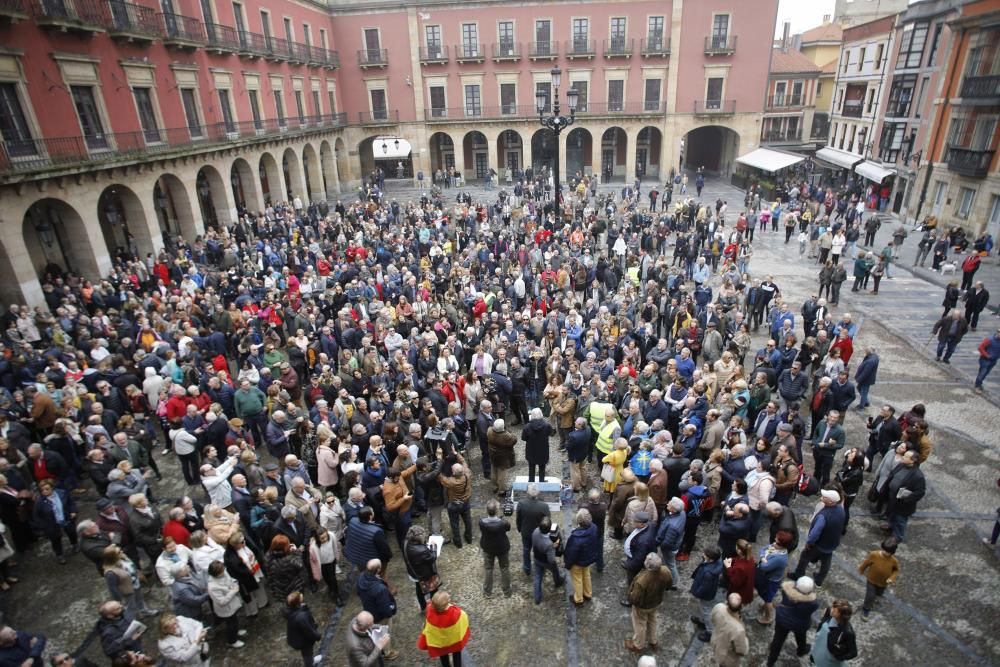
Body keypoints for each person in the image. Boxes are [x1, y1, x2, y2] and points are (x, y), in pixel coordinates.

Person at [791, 489, 845, 587]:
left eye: (825, 497)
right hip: (831, 544)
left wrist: (809, 543)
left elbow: (815, 533)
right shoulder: (841, 510)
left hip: (819, 544)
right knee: (826, 563)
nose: (822, 497)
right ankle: (819, 580)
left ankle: (798, 574)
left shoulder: (823, 516)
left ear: (830, 502)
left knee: (804, 558)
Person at [624, 552, 672, 654]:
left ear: (648, 565)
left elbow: (635, 598)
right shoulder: (666, 571)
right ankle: (653, 641)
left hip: (643, 606)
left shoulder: (642, 580)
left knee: (640, 624)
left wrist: (630, 597)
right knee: (652, 620)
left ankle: (638, 645)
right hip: (656, 602)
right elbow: (669, 585)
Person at [765, 576, 819, 666]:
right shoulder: (812, 603)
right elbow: (814, 607)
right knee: (801, 637)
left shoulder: (786, 592)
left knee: (778, 640)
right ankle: (802, 650)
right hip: (800, 623)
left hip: (783, 619)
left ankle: (771, 661)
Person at [416, 591, 470, 667]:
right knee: (457, 654)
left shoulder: (430, 612)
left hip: (440, 643)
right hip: (454, 640)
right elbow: (463, 617)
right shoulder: (454, 613)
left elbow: (428, 627)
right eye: (448, 600)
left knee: (443, 655)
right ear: (445, 606)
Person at [881, 449, 926, 542]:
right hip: (893, 498)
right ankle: (891, 526)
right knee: (892, 514)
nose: (903, 457)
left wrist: (906, 499)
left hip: (903, 504)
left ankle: (897, 536)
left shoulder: (918, 476)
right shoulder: (901, 465)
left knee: (900, 520)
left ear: (912, 460)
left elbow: (920, 492)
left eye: (906, 457)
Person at [31, 479, 77, 564]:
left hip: (66, 519)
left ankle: (74, 544)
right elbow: (36, 516)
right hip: (52, 524)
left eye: (47, 489)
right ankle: (59, 555)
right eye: (42, 490)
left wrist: (73, 511)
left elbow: (71, 502)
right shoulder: (39, 502)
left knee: (71, 532)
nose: (44, 491)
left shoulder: (62, 493)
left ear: (52, 488)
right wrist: (44, 526)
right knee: (56, 540)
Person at [563, 508, 599, 606]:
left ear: (579, 522)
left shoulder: (575, 538)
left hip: (577, 563)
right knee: (586, 575)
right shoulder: (594, 527)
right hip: (588, 559)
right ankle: (588, 594)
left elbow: (571, 554)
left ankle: (578, 599)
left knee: (577, 580)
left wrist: (567, 564)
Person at [206, 560, 247, 648]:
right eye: (221, 571)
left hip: (232, 604)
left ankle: (236, 631)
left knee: (235, 620)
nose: (224, 571)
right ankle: (232, 641)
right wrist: (233, 591)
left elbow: (230, 579)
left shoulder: (223, 572)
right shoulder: (212, 587)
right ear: (216, 573)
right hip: (226, 609)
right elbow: (221, 601)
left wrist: (235, 583)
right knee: (231, 624)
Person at [858, 537, 899, 619]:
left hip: (883, 583)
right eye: (884, 550)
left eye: (888, 552)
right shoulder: (874, 555)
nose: (885, 553)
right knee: (870, 596)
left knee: (879, 594)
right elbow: (866, 562)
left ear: (892, 552)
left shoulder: (894, 561)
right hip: (871, 580)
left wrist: (892, 578)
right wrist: (861, 569)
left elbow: (896, 570)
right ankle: (866, 609)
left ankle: (874, 600)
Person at [689, 545, 724, 642]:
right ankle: (701, 620)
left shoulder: (708, 573)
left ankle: (710, 631)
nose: (703, 554)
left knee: (706, 611)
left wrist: (696, 593)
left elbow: (704, 588)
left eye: (705, 554)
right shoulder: (717, 562)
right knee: (703, 608)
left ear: (711, 558)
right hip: (710, 592)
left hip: (706, 595)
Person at [478, 498, 512, 597]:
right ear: (497, 511)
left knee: (489, 569)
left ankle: (487, 592)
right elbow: (508, 528)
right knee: (504, 568)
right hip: (502, 547)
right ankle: (507, 591)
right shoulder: (503, 523)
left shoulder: (482, 522)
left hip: (488, 547)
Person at [403, 525, 439, 611]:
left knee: (418, 589)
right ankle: (435, 606)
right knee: (433, 589)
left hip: (413, 572)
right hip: (424, 575)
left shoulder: (406, 542)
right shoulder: (422, 551)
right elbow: (432, 557)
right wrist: (434, 547)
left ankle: (423, 606)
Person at [811, 599, 858, 666]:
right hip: (819, 646)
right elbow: (823, 621)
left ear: (840, 615)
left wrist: (839, 658)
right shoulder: (830, 612)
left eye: (835, 610)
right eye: (833, 607)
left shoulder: (848, 632)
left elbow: (853, 652)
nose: (831, 609)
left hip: (829, 659)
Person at [516, 483, 550, 575]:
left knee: (526, 550)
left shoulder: (521, 504)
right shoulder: (544, 506)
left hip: (526, 532)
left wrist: (520, 529)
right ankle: (540, 568)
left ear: (527, 492)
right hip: (539, 534)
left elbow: (518, 519)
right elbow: (548, 522)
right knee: (539, 551)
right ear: (538, 492)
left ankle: (527, 568)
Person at [710, 593, 750, 667]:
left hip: (716, 644)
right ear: (741, 606)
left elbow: (712, 620)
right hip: (727, 657)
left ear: (727, 602)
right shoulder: (738, 629)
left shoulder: (718, 607)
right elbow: (742, 650)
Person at [284, 591, 323, 667]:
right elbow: (308, 630)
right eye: (299, 596)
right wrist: (317, 636)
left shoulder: (293, 611)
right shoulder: (301, 617)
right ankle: (310, 663)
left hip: (297, 637)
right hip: (303, 641)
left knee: (306, 653)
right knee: (307, 652)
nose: (301, 594)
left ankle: (310, 661)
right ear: (298, 603)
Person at [531, 516, 564, 604]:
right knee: (555, 570)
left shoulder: (535, 531)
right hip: (545, 561)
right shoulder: (549, 544)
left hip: (536, 558)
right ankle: (558, 582)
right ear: (550, 529)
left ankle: (537, 599)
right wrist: (555, 546)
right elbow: (551, 560)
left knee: (538, 577)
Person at [521, 408, 552, 483]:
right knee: (542, 467)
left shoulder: (527, 427)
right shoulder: (547, 425)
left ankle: (531, 482)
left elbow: (523, 438)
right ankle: (542, 481)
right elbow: (551, 433)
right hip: (543, 450)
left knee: (531, 468)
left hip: (531, 450)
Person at [974, 328, 1000, 393]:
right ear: (997, 332)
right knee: (982, 373)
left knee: (986, 373)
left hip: (994, 360)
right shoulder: (989, 340)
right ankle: (977, 386)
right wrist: (987, 355)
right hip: (985, 360)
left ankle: (979, 383)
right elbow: (980, 348)